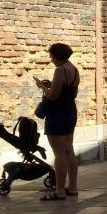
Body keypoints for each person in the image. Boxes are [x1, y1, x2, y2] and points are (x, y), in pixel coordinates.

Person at [34, 43, 79, 201]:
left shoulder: (60, 70)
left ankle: (59, 190)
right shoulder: (74, 69)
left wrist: (42, 87)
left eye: (51, 55)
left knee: (59, 152)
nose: (50, 59)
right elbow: (71, 93)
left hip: (57, 113)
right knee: (68, 149)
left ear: (57, 56)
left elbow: (53, 96)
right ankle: (72, 187)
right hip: (70, 111)